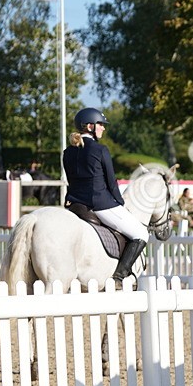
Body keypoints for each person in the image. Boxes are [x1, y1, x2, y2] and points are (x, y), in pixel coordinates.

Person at [62, 107, 148, 285]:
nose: (104, 128)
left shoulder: (67, 152)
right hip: (101, 204)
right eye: (101, 124)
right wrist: (120, 202)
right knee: (141, 233)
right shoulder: (100, 150)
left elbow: (71, 181)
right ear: (90, 126)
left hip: (75, 204)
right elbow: (111, 182)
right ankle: (119, 276)